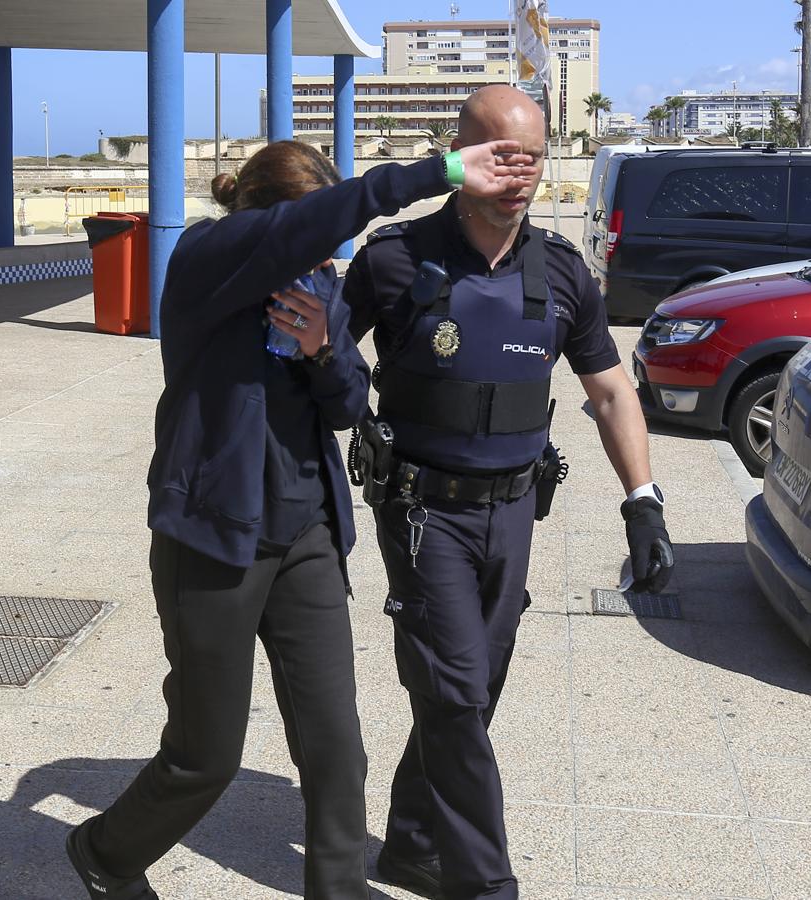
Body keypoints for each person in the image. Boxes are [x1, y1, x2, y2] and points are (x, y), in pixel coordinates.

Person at [64, 138, 537, 900]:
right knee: (203, 756)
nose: (321, 255)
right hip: (213, 538)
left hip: (306, 534)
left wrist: (323, 348)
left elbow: (349, 406)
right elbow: (300, 228)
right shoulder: (207, 259)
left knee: (334, 749)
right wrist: (438, 172)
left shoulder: (316, 284)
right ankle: (106, 852)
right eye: (310, 236)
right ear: (264, 220)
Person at [345, 85, 676, 899]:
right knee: (455, 693)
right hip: (423, 513)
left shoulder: (561, 273)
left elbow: (608, 391)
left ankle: (412, 842)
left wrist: (644, 500)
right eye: (500, 154)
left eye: (532, 156)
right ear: (461, 156)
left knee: (475, 688)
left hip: (516, 510)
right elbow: (318, 361)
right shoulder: (392, 258)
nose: (518, 172)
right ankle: (484, 882)